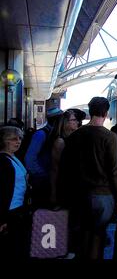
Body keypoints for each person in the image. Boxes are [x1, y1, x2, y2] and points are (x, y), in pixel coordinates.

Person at [61, 97, 117, 259]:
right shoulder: (109, 137)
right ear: (106, 113)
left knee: (82, 234)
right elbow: (114, 170)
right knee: (98, 235)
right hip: (103, 196)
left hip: (79, 194)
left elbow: (66, 167)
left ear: (90, 111)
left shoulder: (75, 136)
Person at [0, 126, 30, 258]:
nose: (18, 141)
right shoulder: (2, 161)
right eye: (13, 139)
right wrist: (2, 218)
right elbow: (2, 191)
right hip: (9, 211)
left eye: (19, 138)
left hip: (18, 209)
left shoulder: (14, 157)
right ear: (3, 141)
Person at [24, 107, 63, 208]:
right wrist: (43, 174)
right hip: (40, 182)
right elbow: (29, 160)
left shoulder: (53, 134)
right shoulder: (41, 134)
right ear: (58, 120)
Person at [47, 109, 84, 206]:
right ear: (65, 122)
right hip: (64, 185)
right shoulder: (60, 141)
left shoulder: (74, 139)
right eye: (74, 120)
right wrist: (53, 193)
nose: (77, 122)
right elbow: (54, 168)